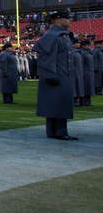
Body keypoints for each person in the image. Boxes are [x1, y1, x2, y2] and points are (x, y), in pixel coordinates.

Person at [32, 10, 77, 140]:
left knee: (57, 103)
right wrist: (51, 74)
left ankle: (55, 131)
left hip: (62, 74)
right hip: (57, 74)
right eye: (66, 18)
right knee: (57, 103)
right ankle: (59, 131)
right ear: (57, 20)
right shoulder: (53, 36)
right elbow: (47, 58)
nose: (69, 20)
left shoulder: (61, 35)